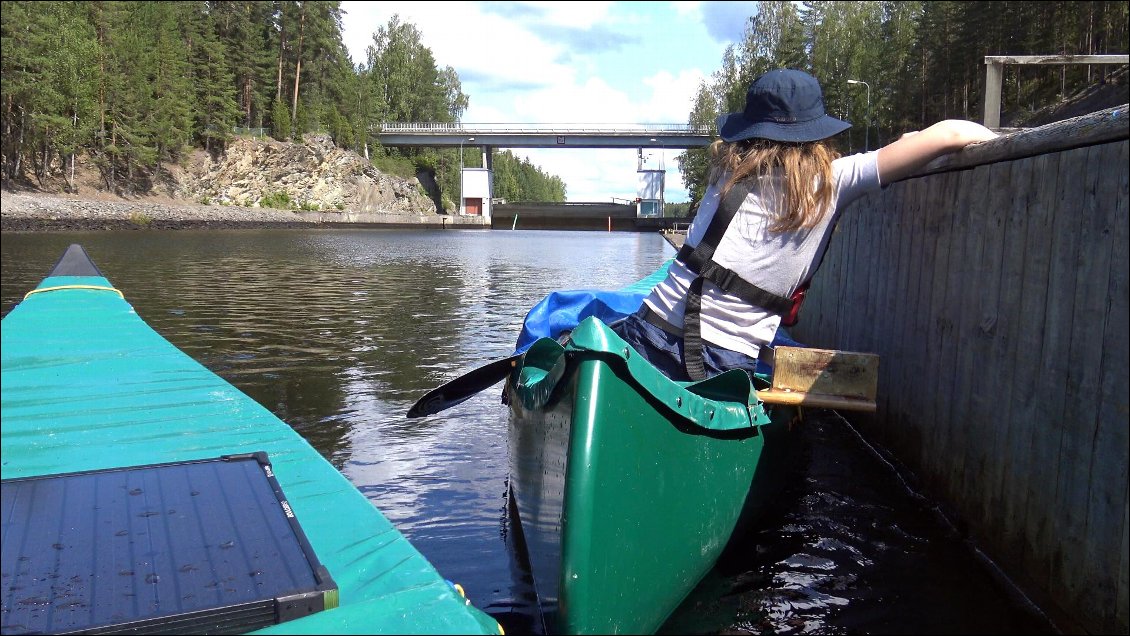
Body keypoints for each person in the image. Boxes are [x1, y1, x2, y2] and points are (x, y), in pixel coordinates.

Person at [612, 68, 998, 382]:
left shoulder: (724, 174)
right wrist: (992, 140)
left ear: (749, 131)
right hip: (723, 363)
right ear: (815, 135)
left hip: (649, 329)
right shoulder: (834, 182)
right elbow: (952, 133)